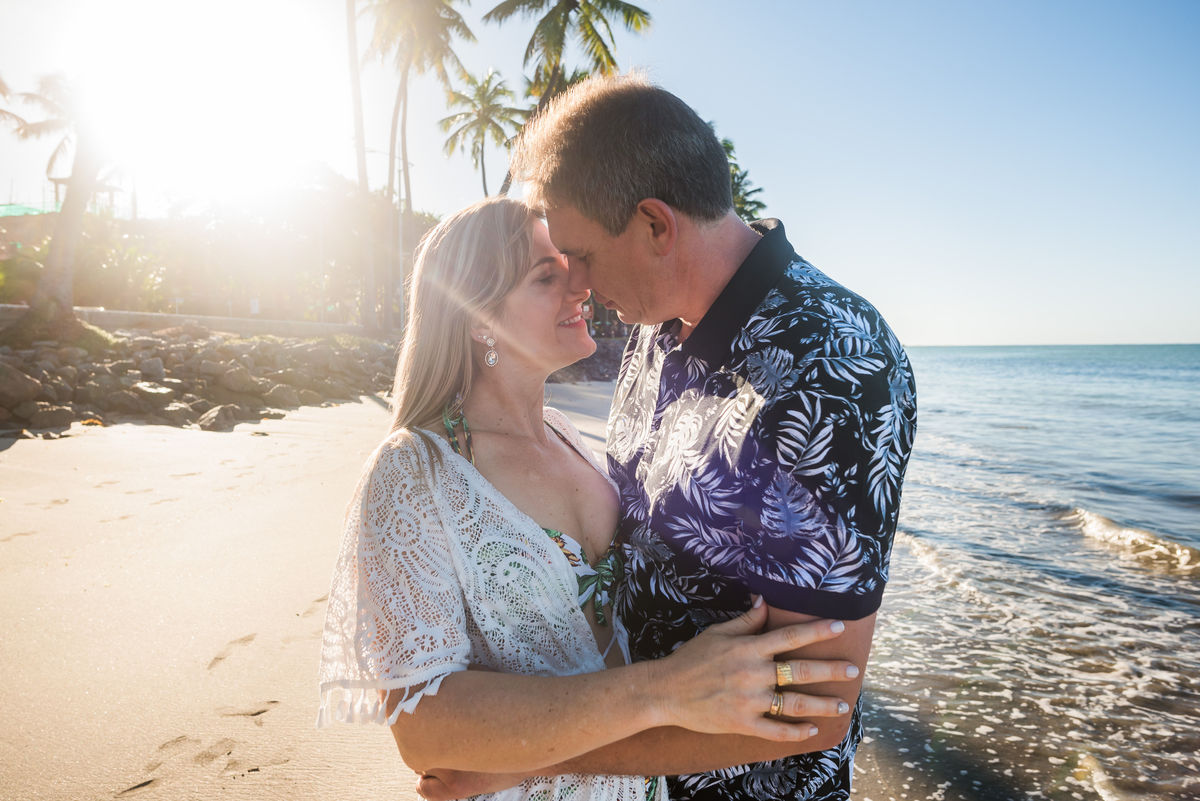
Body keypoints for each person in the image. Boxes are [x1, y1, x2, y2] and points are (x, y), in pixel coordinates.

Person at [420, 76, 918, 801]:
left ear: (656, 226)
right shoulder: (655, 325)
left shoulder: (834, 364)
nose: (578, 283)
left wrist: (532, 758)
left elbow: (815, 708)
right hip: (627, 773)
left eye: (583, 255)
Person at [317, 197, 863, 801]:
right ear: (477, 317)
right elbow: (421, 727)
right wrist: (666, 689)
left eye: (571, 263)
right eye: (546, 276)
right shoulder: (413, 475)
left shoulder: (566, 436)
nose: (578, 285)